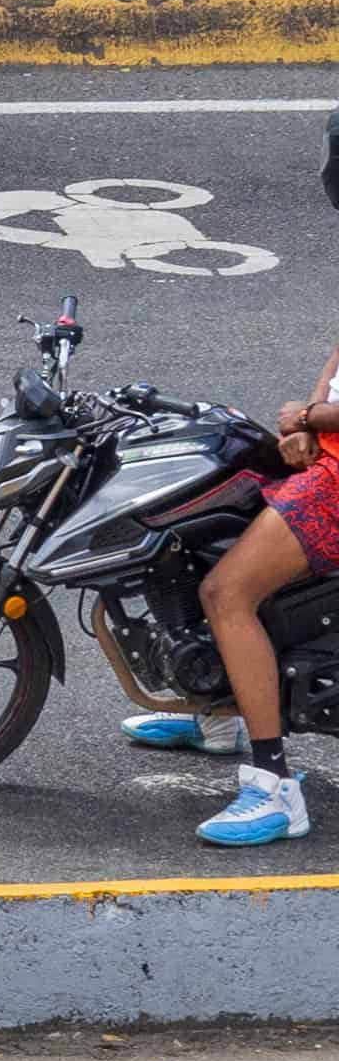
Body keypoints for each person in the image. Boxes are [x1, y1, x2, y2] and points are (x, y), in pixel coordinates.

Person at [148, 349, 337, 846]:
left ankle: (275, 789)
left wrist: (308, 416)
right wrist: (309, 428)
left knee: (227, 593)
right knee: (201, 529)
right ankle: (217, 712)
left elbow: (318, 404)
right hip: (328, 454)